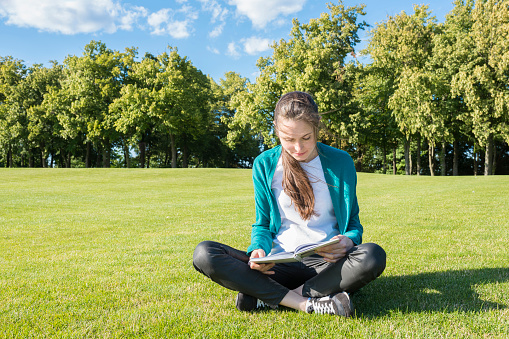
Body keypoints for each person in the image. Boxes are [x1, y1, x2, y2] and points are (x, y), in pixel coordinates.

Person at [193, 91, 386, 316]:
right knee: (204, 253)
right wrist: (259, 251)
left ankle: (268, 296)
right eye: (288, 140)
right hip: (278, 264)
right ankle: (308, 302)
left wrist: (348, 241)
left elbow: (353, 223)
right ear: (276, 130)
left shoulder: (340, 161)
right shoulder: (264, 164)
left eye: (306, 138)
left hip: (327, 265)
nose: (298, 148)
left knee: (372, 255)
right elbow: (263, 224)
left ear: (316, 127)